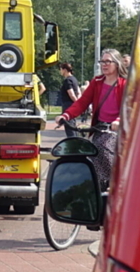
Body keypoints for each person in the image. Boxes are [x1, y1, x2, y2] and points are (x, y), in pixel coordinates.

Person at [53, 49, 128, 184]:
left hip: (117, 130)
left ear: (116, 64)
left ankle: (117, 184)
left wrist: (118, 121)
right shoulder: (97, 82)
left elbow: (128, 107)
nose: (104, 65)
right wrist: (66, 115)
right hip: (100, 128)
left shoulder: (124, 84)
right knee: (91, 151)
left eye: (108, 61)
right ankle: (98, 186)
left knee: (103, 147)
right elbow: (82, 102)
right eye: (102, 61)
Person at [57, 62, 82, 137]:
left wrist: (76, 103)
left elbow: (71, 94)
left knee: (69, 127)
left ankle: (72, 143)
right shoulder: (74, 79)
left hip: (68, 105)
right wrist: (78, 102)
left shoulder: (67, 81)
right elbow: (79, 92)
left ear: (65, 70)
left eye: (61, 69)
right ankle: (76, 142)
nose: (60, 71)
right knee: (73, 125)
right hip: (73, 105)